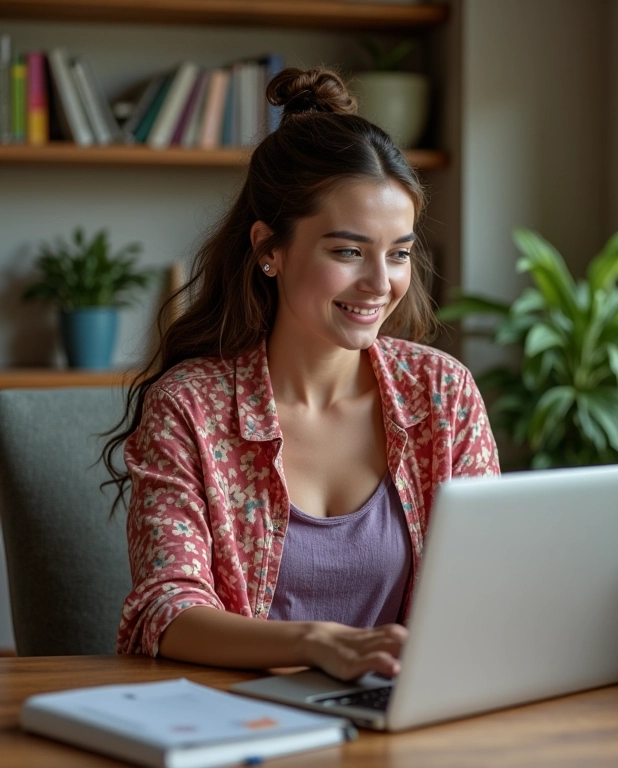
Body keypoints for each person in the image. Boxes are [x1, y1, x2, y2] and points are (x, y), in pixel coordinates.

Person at [107, 68, 499, 682]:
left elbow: (488, 589)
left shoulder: (443, 393)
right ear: (270, 249)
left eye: (398, 252)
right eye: (347, 251)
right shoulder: (189, 409)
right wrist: (317, 643)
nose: (380, 283)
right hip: (240, 719)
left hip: (410, 718)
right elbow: (167, 608)